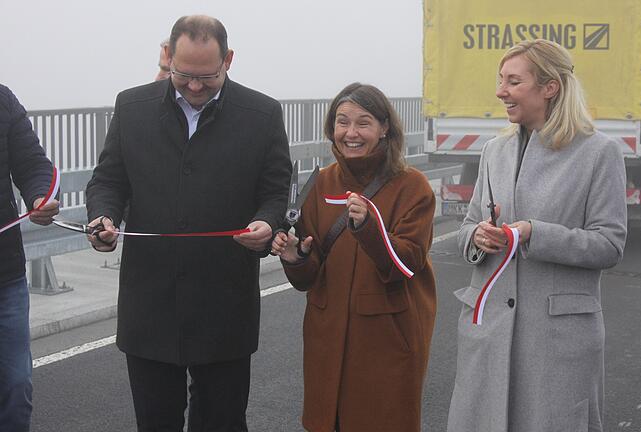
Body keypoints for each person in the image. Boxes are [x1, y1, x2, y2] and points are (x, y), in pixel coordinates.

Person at [85, 15, 291, 431]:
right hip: (151, 303)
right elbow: (108, 180)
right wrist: (102, 218)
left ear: (229, 60)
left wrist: (266, 224)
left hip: (225, 302)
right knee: (155, 421)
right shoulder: (131, 106)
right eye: (184, 75)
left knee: (222, 421)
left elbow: (274, 192)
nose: (195, 86)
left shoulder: (262, 114)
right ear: (167, 57)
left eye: (207, 76)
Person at [447, 39, 627, 431]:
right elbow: (467, 228)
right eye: (501, 81)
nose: (501, 92)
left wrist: (533, 234)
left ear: (550, 87)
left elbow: (609, 245)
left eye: (513, 81)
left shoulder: (599, 153)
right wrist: (478, 236)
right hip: (490, 333)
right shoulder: (494, 150)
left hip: (556, 339)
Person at [271, 83, 436, 432]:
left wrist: (370, 227)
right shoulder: (318, 184)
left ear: (384, 127)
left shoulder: (413, 187)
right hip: (326, 335)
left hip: (387, 338)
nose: (351, 133)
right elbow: (307, 280)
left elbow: (406, 265)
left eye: (363, 123)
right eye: (342, 122)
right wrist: (295, 257)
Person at [0, 84, 59, 432]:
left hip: (6, 278)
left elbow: (35, 165)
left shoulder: (3, 100)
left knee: (16, 385)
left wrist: (40, 196)